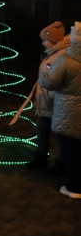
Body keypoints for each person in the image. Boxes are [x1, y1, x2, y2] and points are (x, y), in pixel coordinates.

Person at [38, 22, 81, 199]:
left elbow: (49, 82)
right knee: (75, 148)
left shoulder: (66, 59)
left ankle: (74, 187)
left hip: (67, 110)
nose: (43, 43)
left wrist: (45, 75)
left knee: (70, 149)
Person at [26, 21, 69, 169]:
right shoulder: (52, 54)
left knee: (59, 134)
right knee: (43, 130)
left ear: (54, 40)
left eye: (45, 40)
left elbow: (57, 81)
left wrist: (49, 97)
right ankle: (43, 157)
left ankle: (61, 163)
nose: (43, 43)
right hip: (47, 102)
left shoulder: (60, 56)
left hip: (54, 104)